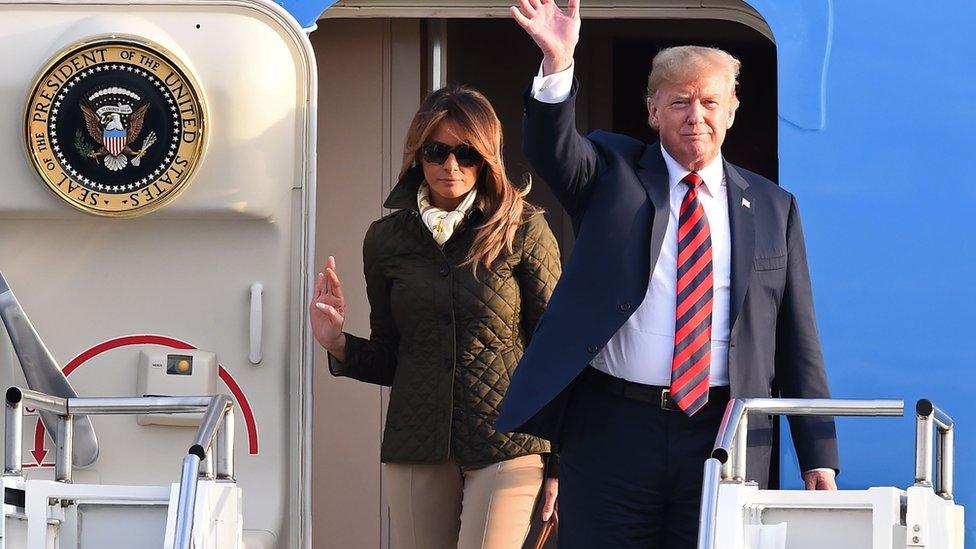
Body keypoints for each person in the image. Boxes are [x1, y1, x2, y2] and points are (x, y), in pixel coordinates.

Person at [495, 0, 839, 546]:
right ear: (653, 112)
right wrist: (558, 63)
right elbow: (552, 150)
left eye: (709, 102)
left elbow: (797, 340)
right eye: (679, 102)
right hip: (613, 429)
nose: (694, 116)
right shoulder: (611, 172)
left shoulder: (775, 208)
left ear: (732, 111)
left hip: (723, 433)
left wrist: (818, 455)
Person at [310, 84, 561, 549]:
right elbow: (392, 356)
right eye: (437, 151)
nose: (451, 165)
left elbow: (555, 350)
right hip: (417, 441)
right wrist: (338, 343)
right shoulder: (386, 239)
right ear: (417, 155)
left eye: (466, 153)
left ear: (486, 157)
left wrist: (562, 463)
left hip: (509, 441)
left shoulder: (523, 227)